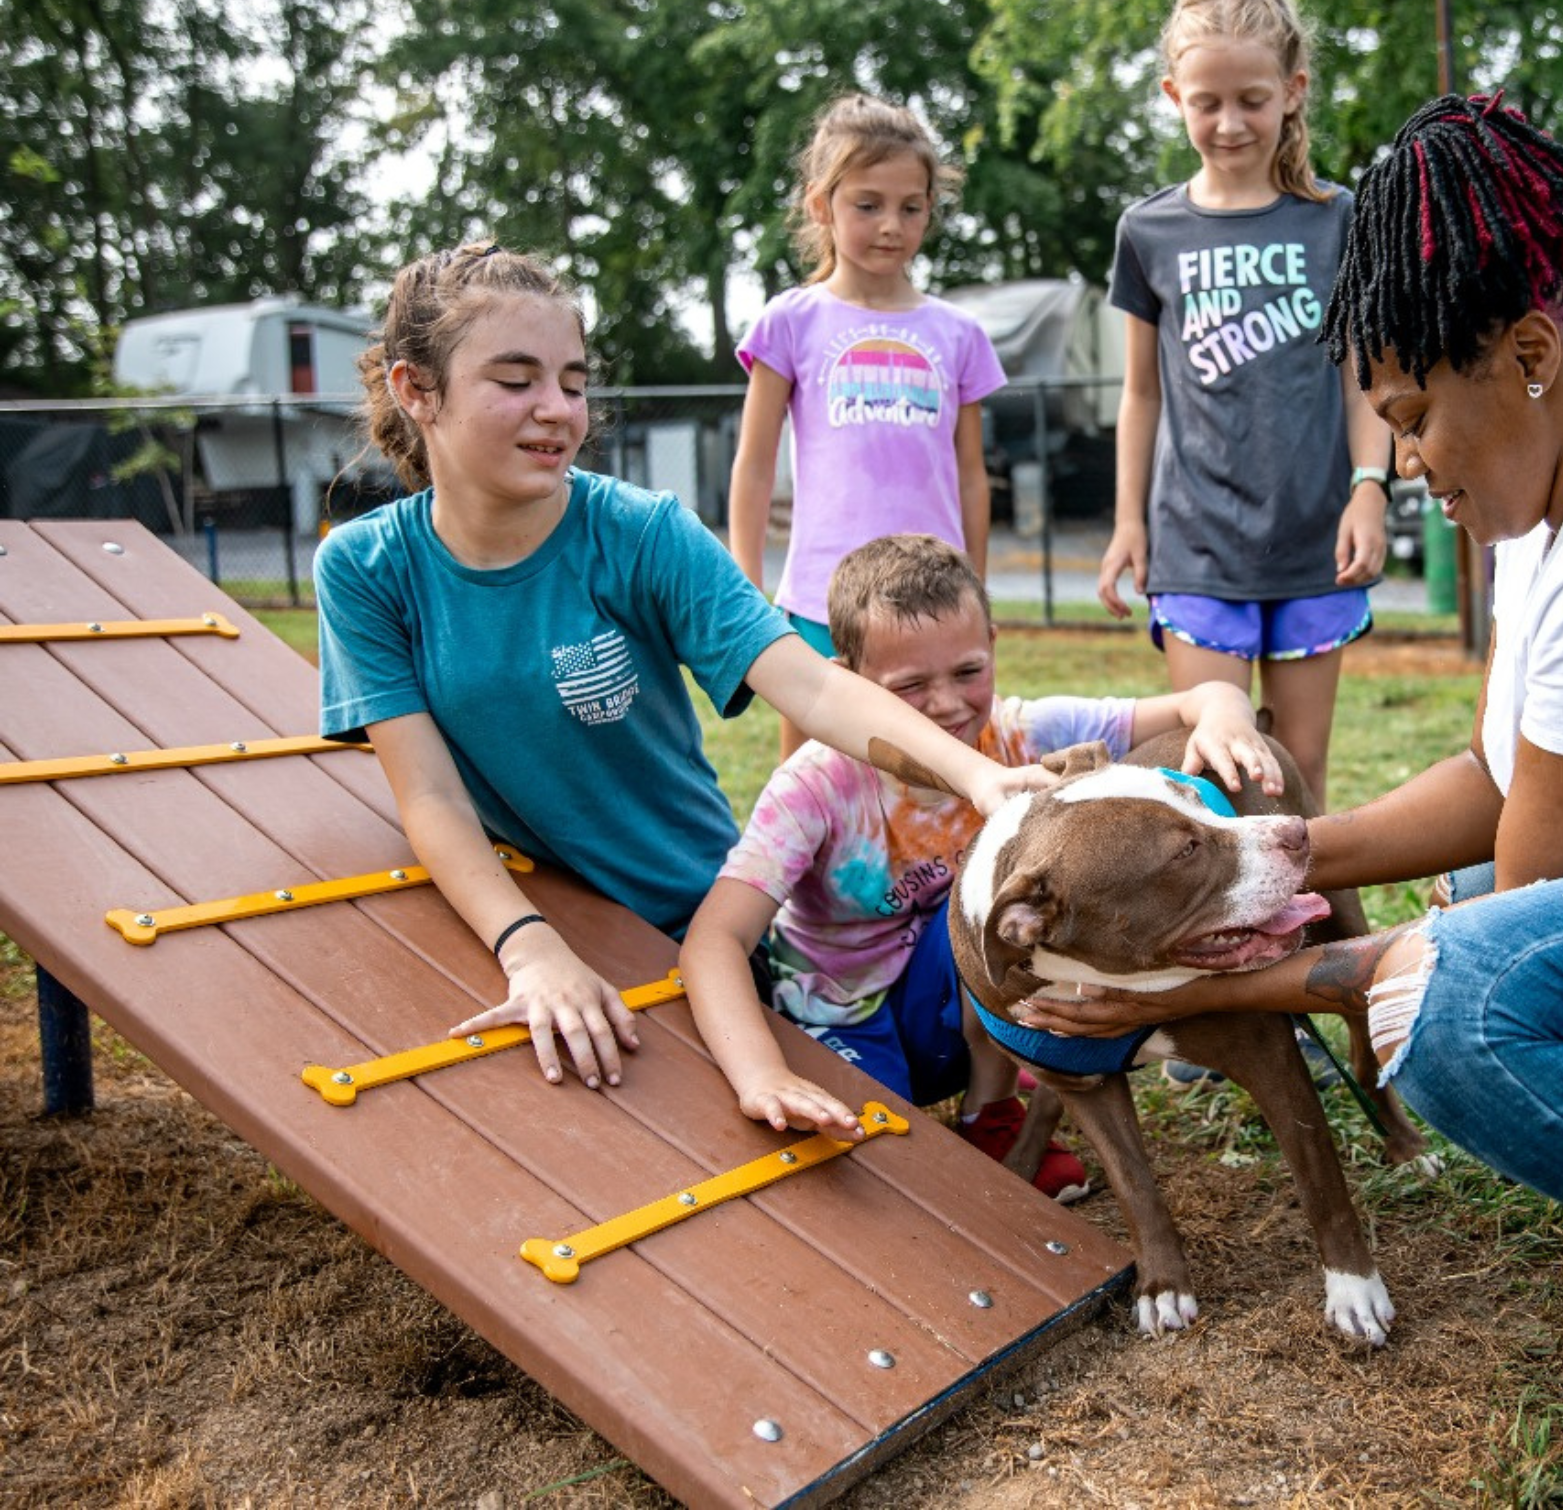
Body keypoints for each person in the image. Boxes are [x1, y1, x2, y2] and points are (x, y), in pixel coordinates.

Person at [314, 245, 1061, 1096]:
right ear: (416, 390)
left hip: (688, 916)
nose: (557, 410)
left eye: (572, 379)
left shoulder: (642, 532)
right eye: (515, 380)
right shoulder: (366, 568)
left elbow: (811, 683)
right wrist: (529, 946)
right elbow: (432, 798)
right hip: (525, 917)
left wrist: (975, 775)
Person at [1023, 93, 1563, 1205]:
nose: (1405, 463)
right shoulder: (1527, 527)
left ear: (1532, 355)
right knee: (1454, 895)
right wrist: (1251, 862)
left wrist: (1196, 991)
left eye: (1412, 419)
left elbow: (1518, 923)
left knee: (1447, 1001)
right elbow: (1491, 782)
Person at [679, 534, 1282, 1192]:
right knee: (868, 1168)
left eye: (968, 672)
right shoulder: (814, 788)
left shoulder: (1021, 732)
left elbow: (1202, 698)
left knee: (996, 908)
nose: (946, 703)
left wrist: (1227, 716)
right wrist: (762, 1073)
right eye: (909, 684)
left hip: (964, 997)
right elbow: (715, 938)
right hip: (840, 1011)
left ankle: (991, 1112)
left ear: (992, 643)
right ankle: (959, 1077)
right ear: (846, 677)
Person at [1096, 0, 1393, 812]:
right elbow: (1141, 395)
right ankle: (1228, 946)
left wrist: (1368, 490)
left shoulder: (1336, 218)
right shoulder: (1145, 231)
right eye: (1206, 102)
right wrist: (1127, 521)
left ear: (1293, 91)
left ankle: (1321, 944)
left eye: (1252, 99)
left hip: (1313, 545)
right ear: (1172, 96)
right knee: (1216, 779)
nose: (1228, 123)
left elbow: (1360, 376)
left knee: (1298, 774)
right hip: (1195, 547)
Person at [727, 91, 1007, 762]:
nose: (891, 225)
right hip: (819, 603)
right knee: (813, 785)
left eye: (911, 206)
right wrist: (745, 588)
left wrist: (975, 590)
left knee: (929, 782)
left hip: (932, 608)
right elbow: (755, 463)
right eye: (867, 204)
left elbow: (971, 474)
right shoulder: (788, 322)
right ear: (821, 205)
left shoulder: (959, 334)